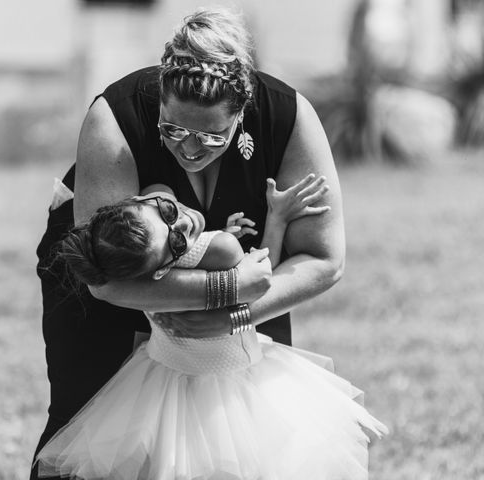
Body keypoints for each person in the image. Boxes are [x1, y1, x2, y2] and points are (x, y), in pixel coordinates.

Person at [31, 7, 346, 478]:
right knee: (94, 435)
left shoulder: (289, 117)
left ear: (243, 112)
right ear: (160, 99)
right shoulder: (114, 118)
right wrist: (226, 293)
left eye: (211, 135)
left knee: (248, 444)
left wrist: (235, 316)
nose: (190, 148)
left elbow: (324, 258)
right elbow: (106, 277)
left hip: (249, 298)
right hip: (107, 280)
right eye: (172, 129)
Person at [34, 175, 387, 479]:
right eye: (176, 243)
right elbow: (261, 275)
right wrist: (275, 219)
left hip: (160, 389)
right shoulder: (220, 248)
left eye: (169, 212)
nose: (183, 227)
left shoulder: (132, 269)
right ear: (157, 275)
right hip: (237, 387)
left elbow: (167, 208)